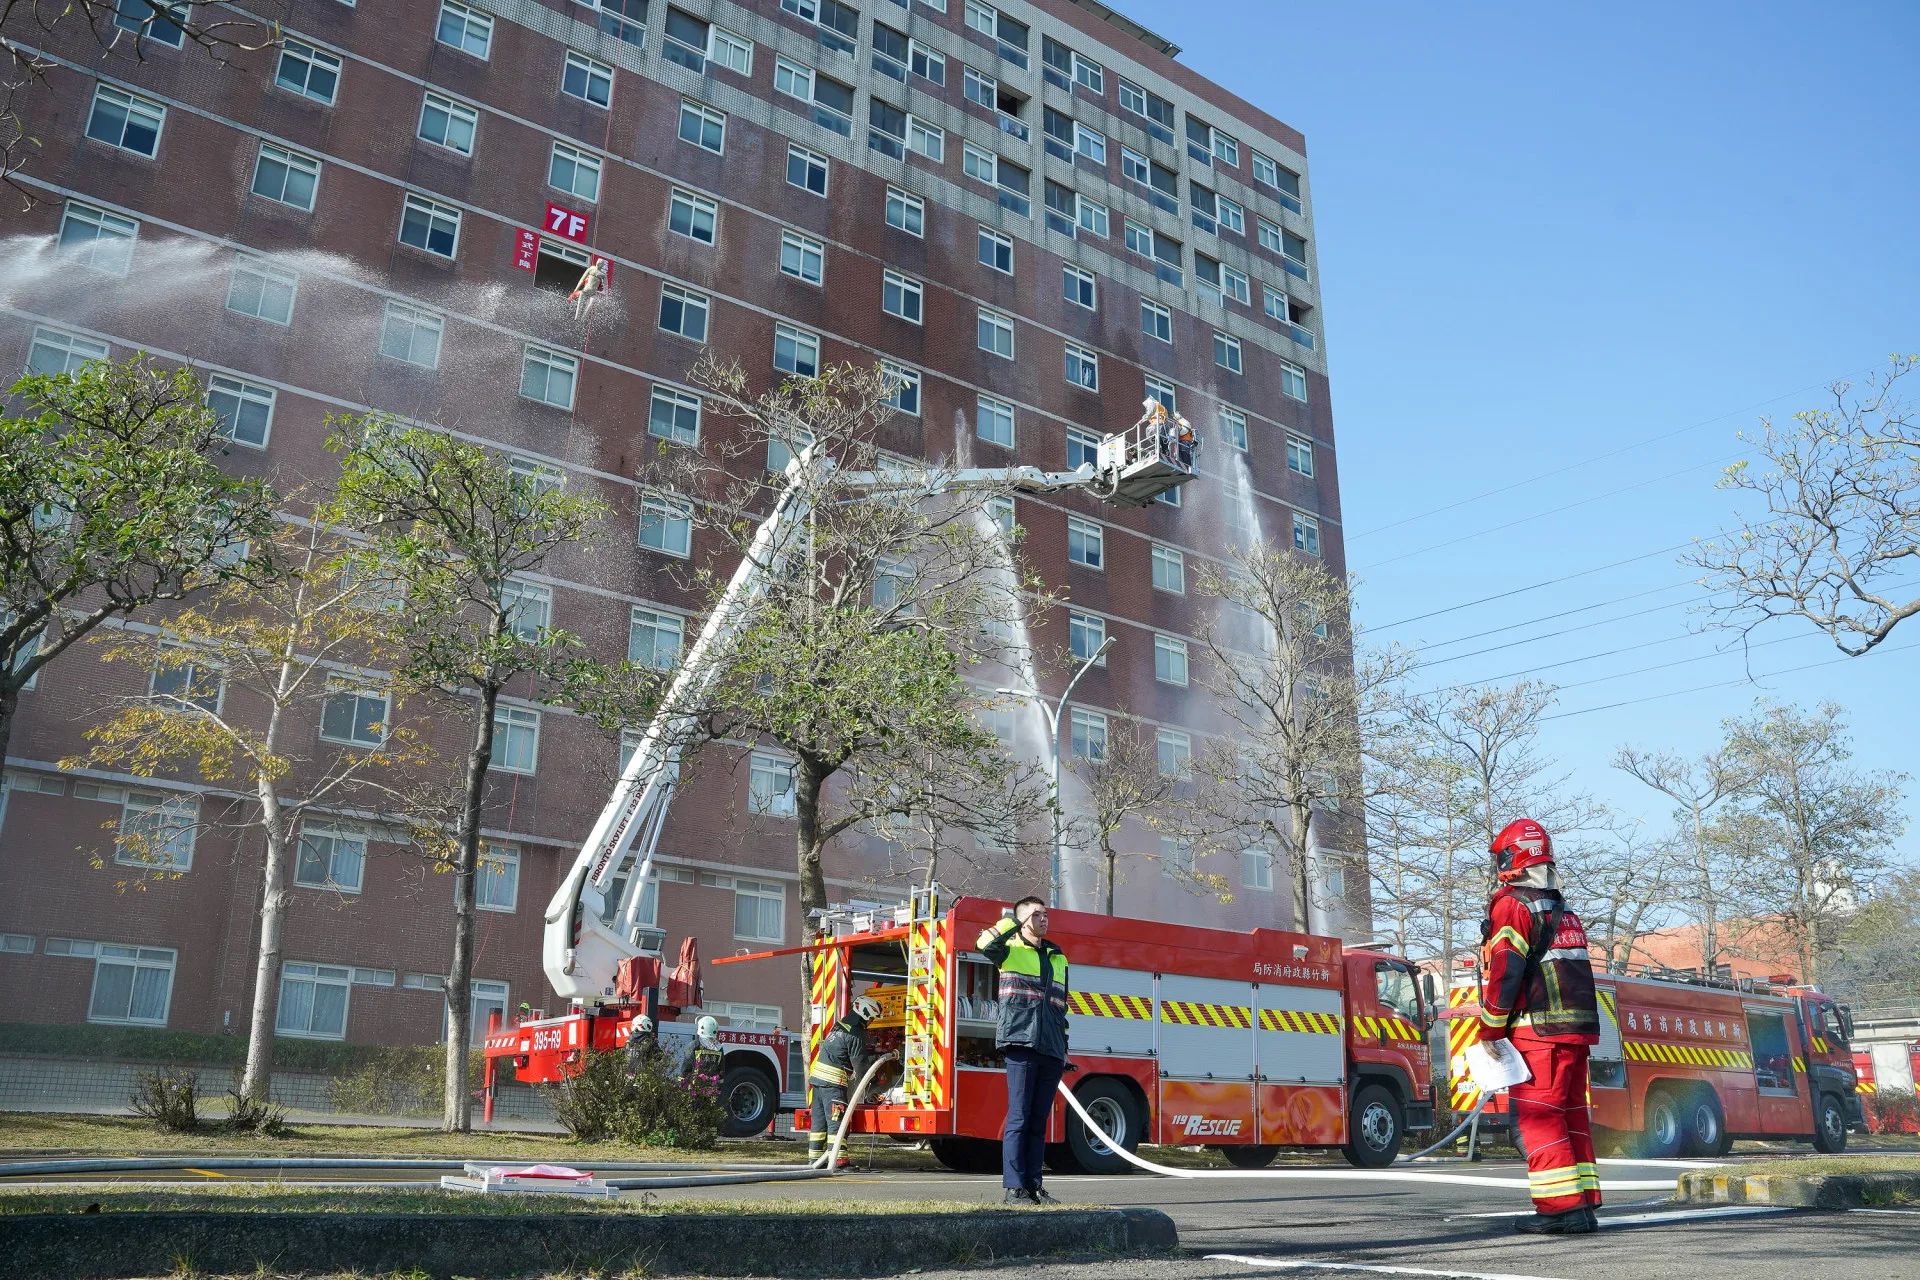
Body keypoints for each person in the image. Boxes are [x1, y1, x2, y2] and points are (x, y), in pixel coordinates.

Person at [1470, 818, 1602, 1234]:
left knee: (1537, 1120)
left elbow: (1506, 971)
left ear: (1515, 858)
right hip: (1576, 1033)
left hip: (1539, 1034)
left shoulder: (1514, 905)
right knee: (1570, 1117)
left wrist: (1490, 1031)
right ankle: (1582, 1204)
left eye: (1502, 857)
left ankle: (1560, 1210)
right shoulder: (1564, 910)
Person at [977, 896, 1071, 1205]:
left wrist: (1064, 1049)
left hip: (1052, 1048)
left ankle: (1034, 1186)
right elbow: (983, 944)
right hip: (1021, 1042)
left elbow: (1061, 1007)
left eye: (1046, 914)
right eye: (1037, 914)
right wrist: (1012, 921)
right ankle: (1014, 1188)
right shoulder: (1008, 951)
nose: (1044, 918)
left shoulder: (1058, 957)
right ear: (1022, 919)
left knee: (1038, 1121)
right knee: (1019, 1117)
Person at [807, 994, 883, 1166]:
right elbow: (861, 1067)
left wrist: (871, 1051)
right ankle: (840, 1161)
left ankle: (815, 1161)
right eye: (871, 1018)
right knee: (836, 1123)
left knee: (819, 1125)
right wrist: (876, 1084)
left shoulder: (839, 1026)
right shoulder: (855, 1035)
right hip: (833, 1085)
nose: (871, 1022)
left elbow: (846, 1052)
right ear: (865, 1015)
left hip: (818, 1083)